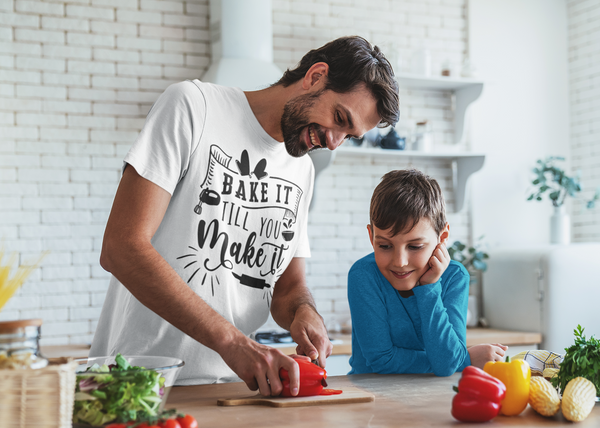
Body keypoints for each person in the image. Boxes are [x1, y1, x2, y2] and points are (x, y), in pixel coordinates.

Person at [90, 36, 400, 396]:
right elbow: (121, 247)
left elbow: (287, 287)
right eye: (339, 118)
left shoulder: (302, 170)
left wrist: (304, 312)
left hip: (236, 391)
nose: (334, 142)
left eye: (349, 135)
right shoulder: (193, 107)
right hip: (140, 382)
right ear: (315, 76)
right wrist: (232, 342)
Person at [347, 169, 507, 376]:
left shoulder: (455, 278)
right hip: (371, 396)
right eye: (385, 246)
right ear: (371, 237)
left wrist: (430, 287)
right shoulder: (364, 275)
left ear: (442, 238)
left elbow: (447, 363)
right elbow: (382, 360)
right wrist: (464, 359)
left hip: (430, 396)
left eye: (415, 246)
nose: (400, 262)